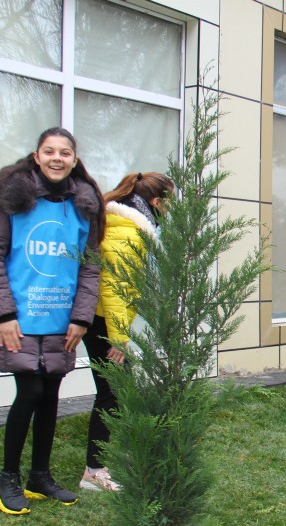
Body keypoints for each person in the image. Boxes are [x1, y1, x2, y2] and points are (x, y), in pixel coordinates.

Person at [0, 128, 104, 515]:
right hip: (18, 318)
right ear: (36, 156)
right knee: (30, 392)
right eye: (49, 151)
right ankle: (7, 479)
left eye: (65, 152)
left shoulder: (83, 206)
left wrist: (82, 318)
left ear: (74, 159)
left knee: (50, 395)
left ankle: (39, 476)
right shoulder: (13, 199)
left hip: (61, 321)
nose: (57, 158)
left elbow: (90, 266)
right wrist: (3, 315)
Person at [80, 172, 174, 492]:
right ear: (156, 202)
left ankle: (107, 458)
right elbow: (115, 286)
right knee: (112, 392)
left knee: (118, 390)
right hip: (104, 322)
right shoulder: (130, 232)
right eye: (169, 204)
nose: (169, 211)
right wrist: (119, 336)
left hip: (101, 319)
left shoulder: (123, 223)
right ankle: (94, 471)